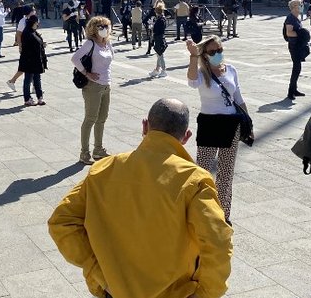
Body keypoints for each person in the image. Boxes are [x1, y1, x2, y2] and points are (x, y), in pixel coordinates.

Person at [49, 98, 232, 298]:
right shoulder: (194, 180)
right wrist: (205, 293)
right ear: (186, 136)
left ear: (145, 126)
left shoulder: (103, 169)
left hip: (115, 291)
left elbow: (61, 222)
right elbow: (218, 242)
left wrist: (97, 272)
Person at [186, 35, 249, 222]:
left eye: (220, 50)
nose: (217, 54)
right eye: (212, 52)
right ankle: (199, 212)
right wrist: (193, 56)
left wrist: (247, 122)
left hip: (231, 124)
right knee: (203, 170)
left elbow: (238, 96)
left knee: (226, 173)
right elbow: (191, 81)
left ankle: (223, 214)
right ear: (205, 54)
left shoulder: (231, 70)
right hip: (209, 124)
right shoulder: (201, 73)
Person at [71, 16, 115, 164]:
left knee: (102, 119)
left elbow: (110, 60)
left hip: (106, 85)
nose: (104, 29)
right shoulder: (90, 44)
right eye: (101, 27)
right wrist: (86, 73)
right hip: (92, 86)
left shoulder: (107, 43)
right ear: (93, 29)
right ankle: (84, 153)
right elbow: (75, 58)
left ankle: (98, 149)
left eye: (106, 26)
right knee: (90, 119)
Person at [7, 14, 47, 106]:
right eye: (37, 22)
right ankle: (27, 99)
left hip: (36, 59)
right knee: (28, 79)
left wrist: (42, 44)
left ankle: (40, 97)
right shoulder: (27, 32)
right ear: (34, 22)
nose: (38, 24)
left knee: (37, 79)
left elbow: (38, 42)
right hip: (29, 60)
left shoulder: (34, 32)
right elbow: (29, 46)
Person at [284, 0, 308, 100]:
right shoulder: (290, 18)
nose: (302, 6)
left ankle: (294, 89)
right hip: (294, 46)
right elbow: (289, 32)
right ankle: (290, 92)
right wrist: (300, 35)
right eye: (300, 5)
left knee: (297, 68)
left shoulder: (296, 17)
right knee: (296, 68)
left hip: (298, 45)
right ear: (294, 7)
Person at [149, 3, 169, 78]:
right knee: (159, 54)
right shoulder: (162, 18)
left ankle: (163, 70)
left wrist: (152, 27)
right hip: (160, 37)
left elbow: (157, 29)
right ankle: (157, 69)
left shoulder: (160, 19)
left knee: (160, 54)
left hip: (159, 38)